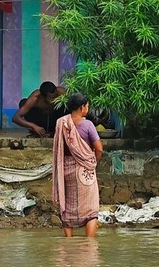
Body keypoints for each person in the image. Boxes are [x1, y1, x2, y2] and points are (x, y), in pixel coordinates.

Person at [52, 92, 103, 238]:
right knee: (91, 209)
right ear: (82, 107)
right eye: (87, 106)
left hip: (66, 169)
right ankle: (89, 242)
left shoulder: (61, 123)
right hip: (84, 171)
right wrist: (92, 162)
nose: (88, 108)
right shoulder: (88, 125)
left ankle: (68, 241)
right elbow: (99, 148)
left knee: (68, 206)